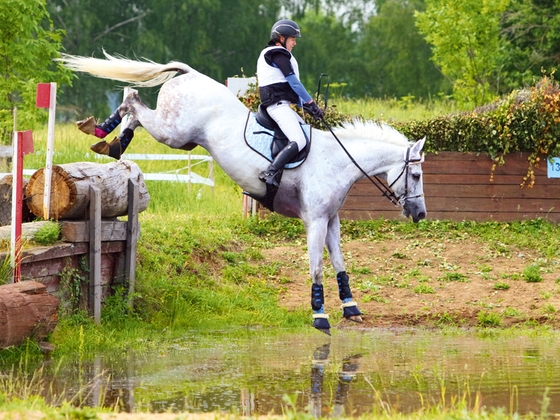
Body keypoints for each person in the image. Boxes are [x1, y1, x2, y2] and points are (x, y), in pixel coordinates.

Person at [256, 19, 324, 187]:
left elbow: (290, 89)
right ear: (281, 38)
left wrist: (308, 109)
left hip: (283, 105)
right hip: (277, 106)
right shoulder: (277, 54)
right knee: (299, 140)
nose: (294, 43)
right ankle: (270, 172)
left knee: (307, 135)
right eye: (292, 38)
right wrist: (310, 102)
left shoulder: (278, 54)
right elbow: (294, 83)